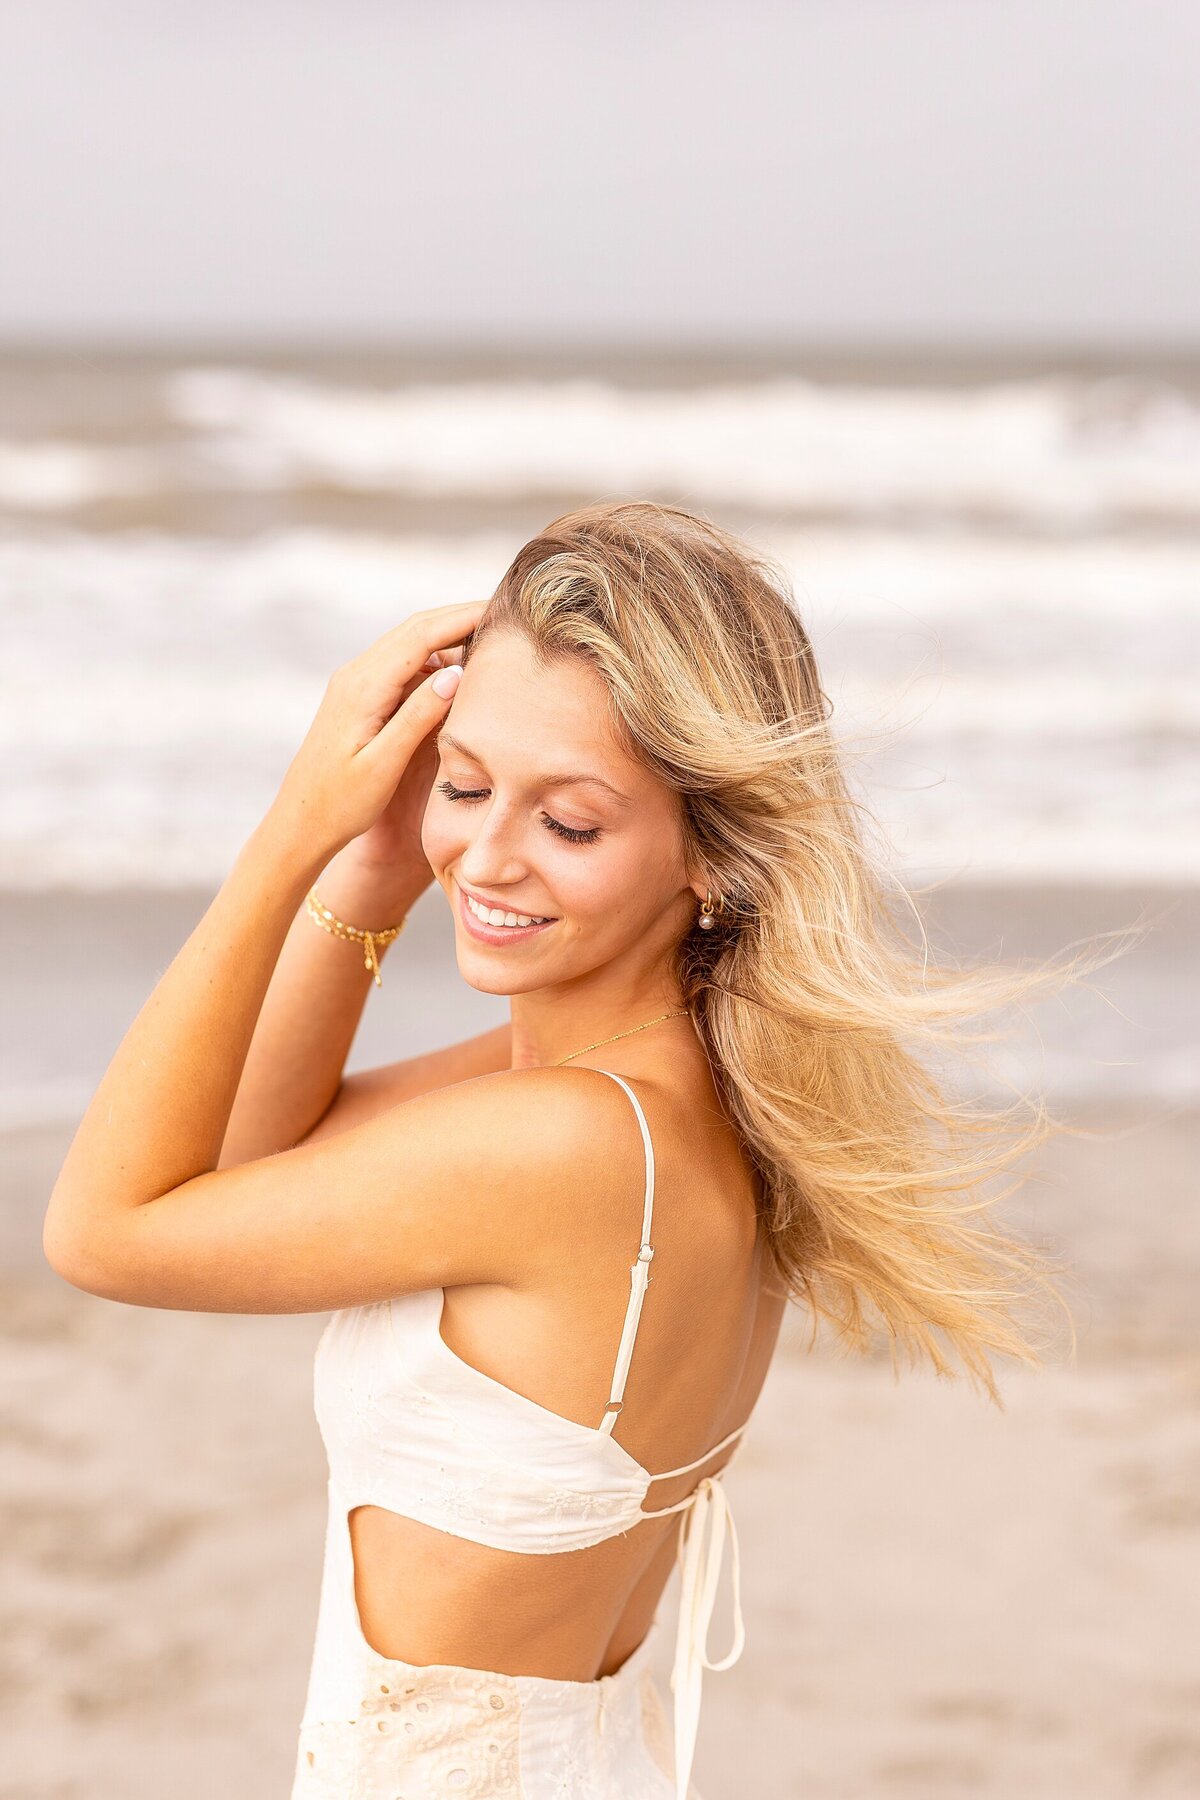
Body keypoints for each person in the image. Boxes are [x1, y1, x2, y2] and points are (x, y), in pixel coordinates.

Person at [44, 500, 1087, 1799]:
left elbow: (102, 1228)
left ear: (713, 855)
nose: (484, 854)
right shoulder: (677, 1092)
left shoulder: (565, 1144)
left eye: (571, 823)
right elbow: (253, 1150)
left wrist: (289, 834)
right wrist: (372, 877)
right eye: (465, 784)